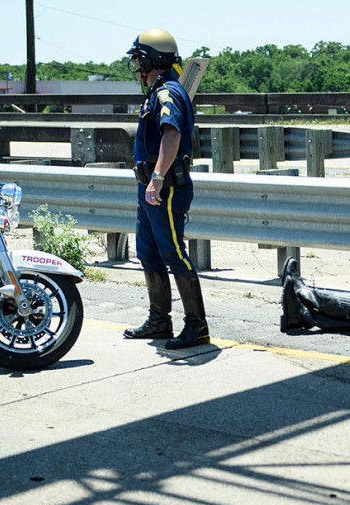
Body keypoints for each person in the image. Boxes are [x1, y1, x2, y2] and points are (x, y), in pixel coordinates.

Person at [121, 28, 209, 350]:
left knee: (173, 254)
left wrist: (157, 177)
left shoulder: (167, 93)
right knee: (148, 252)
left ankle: (197, 326)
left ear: (149, 60)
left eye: (138, 60)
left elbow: (170, 136)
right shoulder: (158, 90)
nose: (136, 67)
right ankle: (159, 321)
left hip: (165, 188)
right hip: (150, 188)